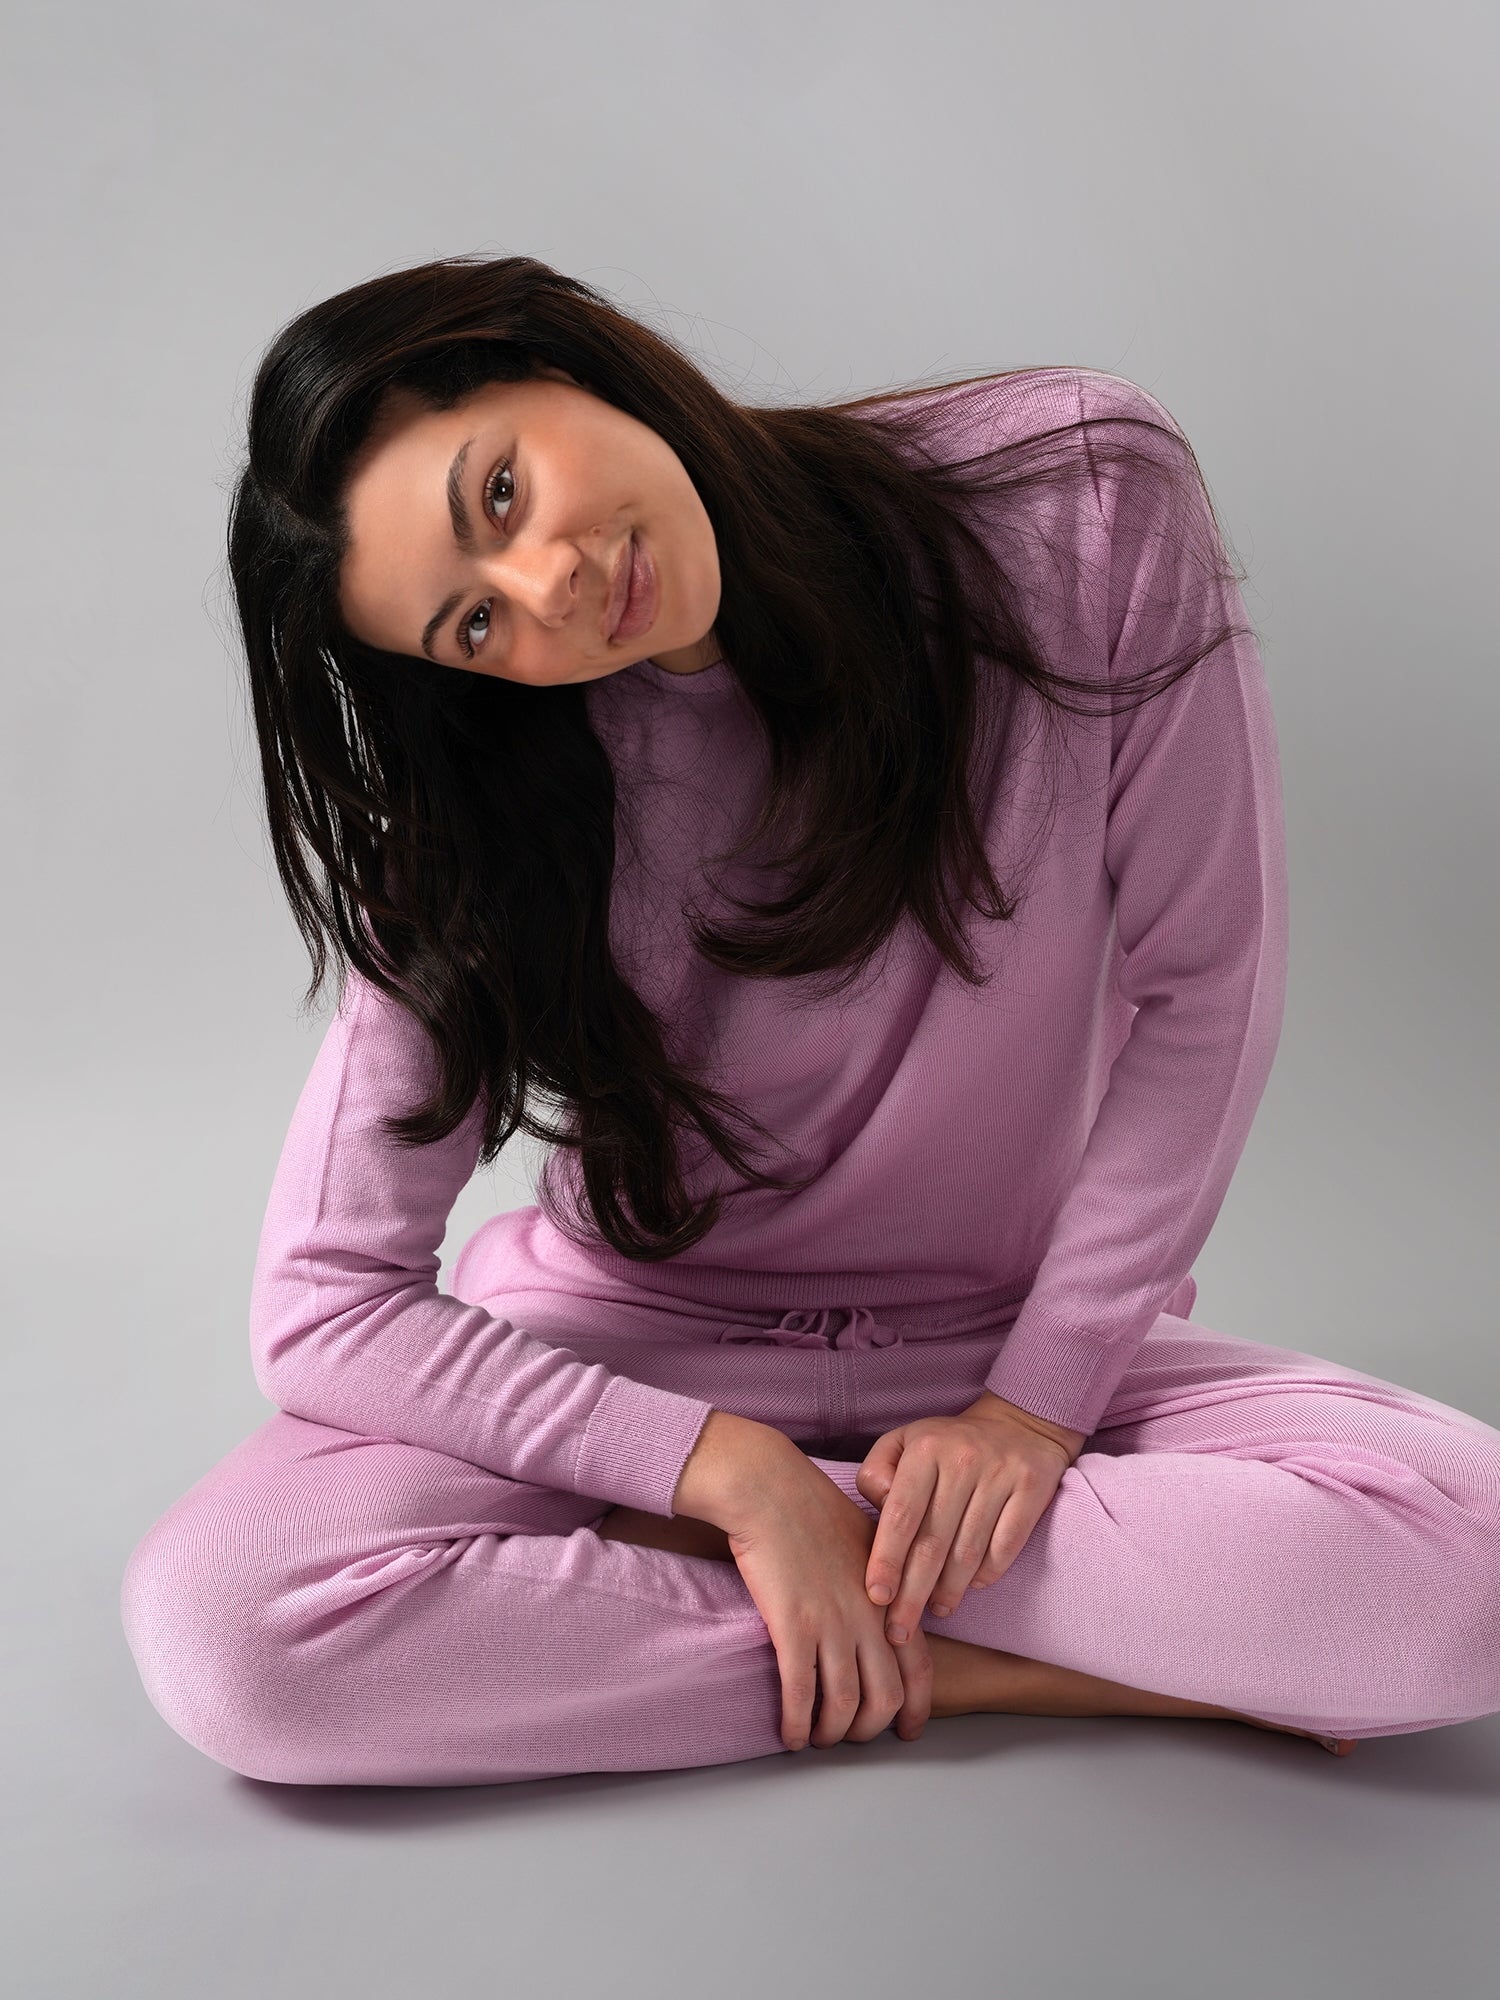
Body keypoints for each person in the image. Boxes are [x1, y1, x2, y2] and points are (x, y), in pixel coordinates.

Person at [120, 254, 1500, 1787]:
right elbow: (324, 1302)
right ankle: (1008, 1656)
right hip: (640, 1358)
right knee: (230, 1636)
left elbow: (1205, 988)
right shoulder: (492, 810)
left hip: (1006, 1344)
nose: (546, 594)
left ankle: (815, 1619)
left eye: (498, 495)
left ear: (544, 356)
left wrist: (1035, 1414)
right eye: (471, 630)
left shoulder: (1081, 500)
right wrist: (719, 1473)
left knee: (1474, 1569)